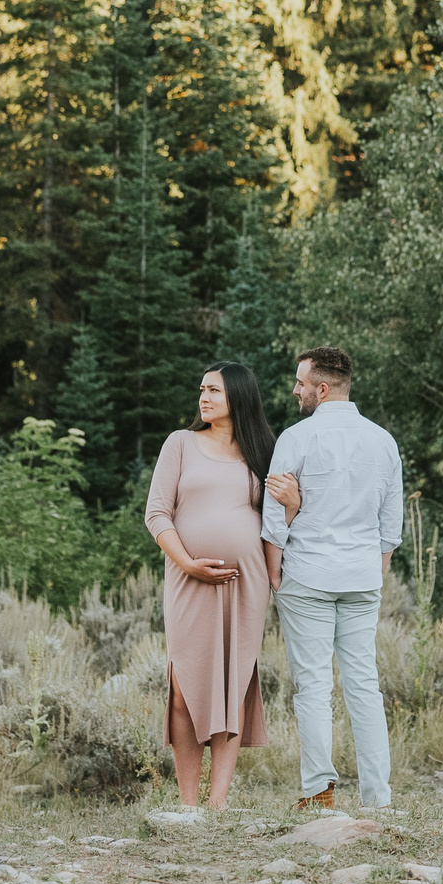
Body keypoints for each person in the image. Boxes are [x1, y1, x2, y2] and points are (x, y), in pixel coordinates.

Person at [260, 345, 403, 811]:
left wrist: (275, 573)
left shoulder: (296, 438)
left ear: (322, 388)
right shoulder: (382, 439)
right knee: (364, 683)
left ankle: (319, 791)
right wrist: (376, 565)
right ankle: (377, 797)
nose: (295, 389)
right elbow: (391, 520)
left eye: (301, 383)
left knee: (314, 686)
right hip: (361, 575)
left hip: (308, 576)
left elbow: (273, 517)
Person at [143, 362, 277, 811]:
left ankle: (217, 801)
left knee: (233, 684)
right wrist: (188, 564)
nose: (204, 397)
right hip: (188, 580)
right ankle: (188, 803)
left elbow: (277, 523)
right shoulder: (180, 443)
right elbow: (157, 514)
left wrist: (293, 504)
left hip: (246, 584)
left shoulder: (263, 452)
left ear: (238, 396)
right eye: (202, 389)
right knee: (184, 685)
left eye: (214, 391)